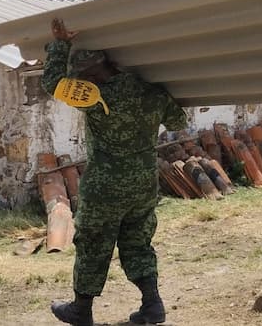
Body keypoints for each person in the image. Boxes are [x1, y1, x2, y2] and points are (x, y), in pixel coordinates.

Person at [43, 18, 189, 326]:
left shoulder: (98, 98)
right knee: (138, 241)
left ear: (92, 74)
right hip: (144, 183)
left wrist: (59, 44)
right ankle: (152, 304)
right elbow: (178, 121)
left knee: (94, 242)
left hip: (105, 187)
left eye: (82, 77)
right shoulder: (152, 93)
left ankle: (81, 311)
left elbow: (52, 84)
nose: (81, 83)